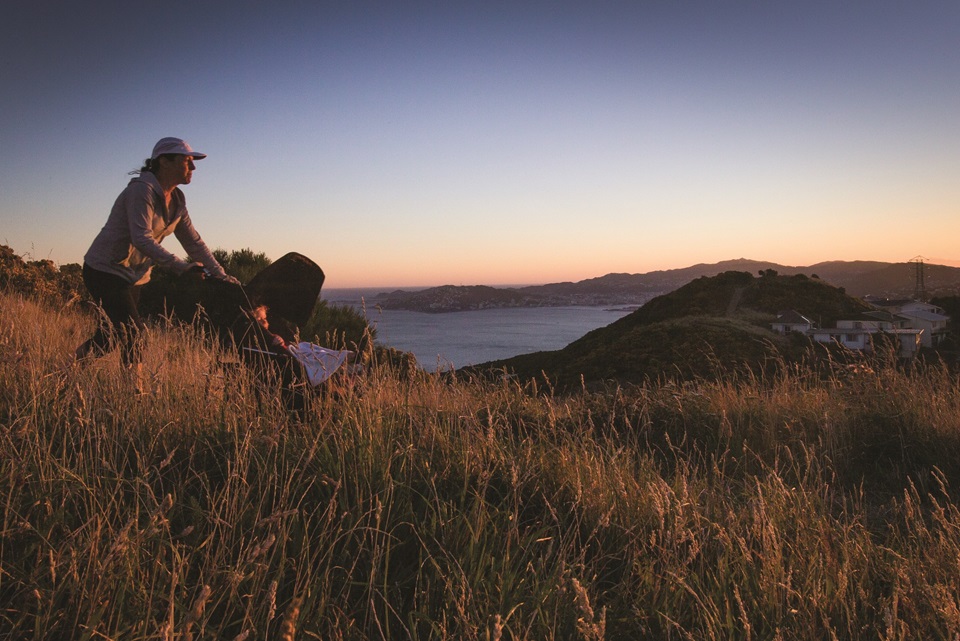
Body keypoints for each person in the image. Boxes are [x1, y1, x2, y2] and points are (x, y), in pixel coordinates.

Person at [76, 137, 240, 365]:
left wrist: (222, 276)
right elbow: (141, 238)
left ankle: (63, 372)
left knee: (110, 337)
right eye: (187, 161)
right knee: (134, 334)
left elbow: (194, 243)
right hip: (105, 270)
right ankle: (135, 392)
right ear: (164, 162)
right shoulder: (141, 191)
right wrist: (181, 267)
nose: (193, 167)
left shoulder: (178, 201)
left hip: (134, 277)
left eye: (193, 162)